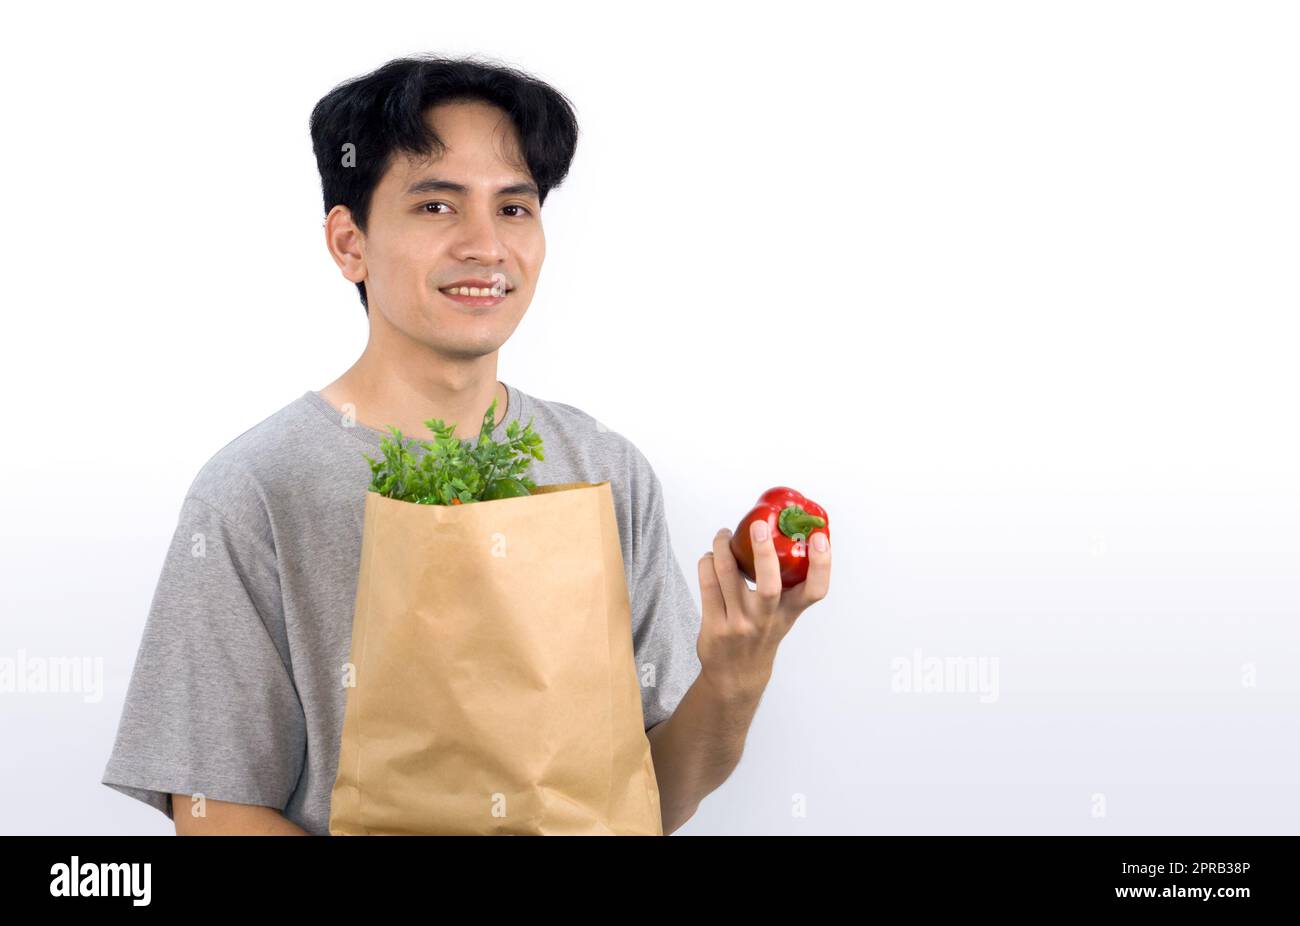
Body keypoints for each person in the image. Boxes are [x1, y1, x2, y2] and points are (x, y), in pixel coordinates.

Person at [101, 54, 831, 836]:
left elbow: (648, 799)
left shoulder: (602, 469)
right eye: (438, 207)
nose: (487, 246)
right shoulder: (258, 488)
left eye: (514, 209)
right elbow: (217, 813)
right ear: (350, 243)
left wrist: (733, 677)